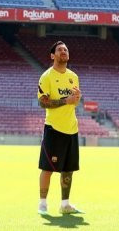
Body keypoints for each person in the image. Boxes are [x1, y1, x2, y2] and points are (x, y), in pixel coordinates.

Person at [37, 40, 84, 215]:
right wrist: (66, 100)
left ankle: (65, 204)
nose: (64, 51)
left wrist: (76, 98)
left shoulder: (74, 76)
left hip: (72, 129)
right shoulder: (47, 76)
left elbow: (74, 102)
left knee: (68, 169)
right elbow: (43, 102)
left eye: (65, 49)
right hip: (54, 129)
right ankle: (42, 204)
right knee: (47, 168)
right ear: (52, 55)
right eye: (60, 50)